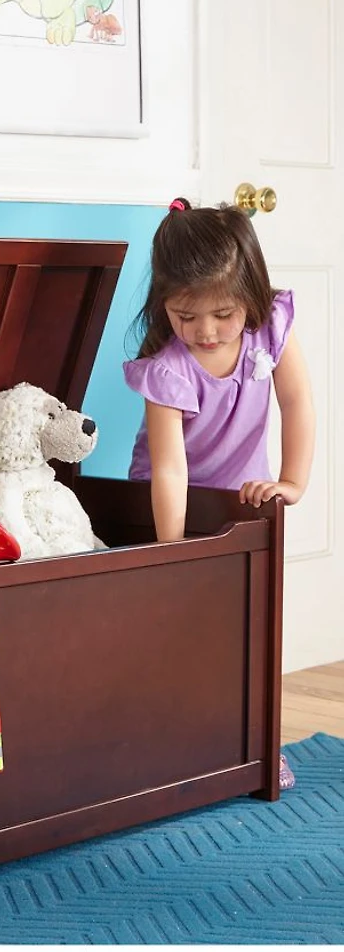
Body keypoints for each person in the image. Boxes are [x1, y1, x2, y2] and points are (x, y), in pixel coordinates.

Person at [123, 197, 315, 790]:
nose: (204, 331)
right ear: (165, 308)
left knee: (250, 633)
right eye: (185, 316)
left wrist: (292, 482)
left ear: (251, 299)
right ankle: (176, 747)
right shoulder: (169, 370)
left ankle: (254, 745)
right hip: (166, 506)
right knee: (180, 636)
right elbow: (169, 467)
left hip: (243, 503)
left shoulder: (269, 334)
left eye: (222, 314)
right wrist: (173, 549)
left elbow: (297, 403)